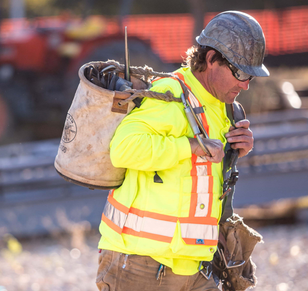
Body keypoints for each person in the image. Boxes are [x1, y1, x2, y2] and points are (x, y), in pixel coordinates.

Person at [96, 10, 269, 291]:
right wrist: (191, 145)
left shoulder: (225, 109)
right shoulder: (170, 96)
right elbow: (123, 149)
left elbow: (200, 178)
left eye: (250, 76)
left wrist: (234, 154)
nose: (245, 84)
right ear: (211, 59)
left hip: (194, 267)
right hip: (140, 265)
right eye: (239, 72)